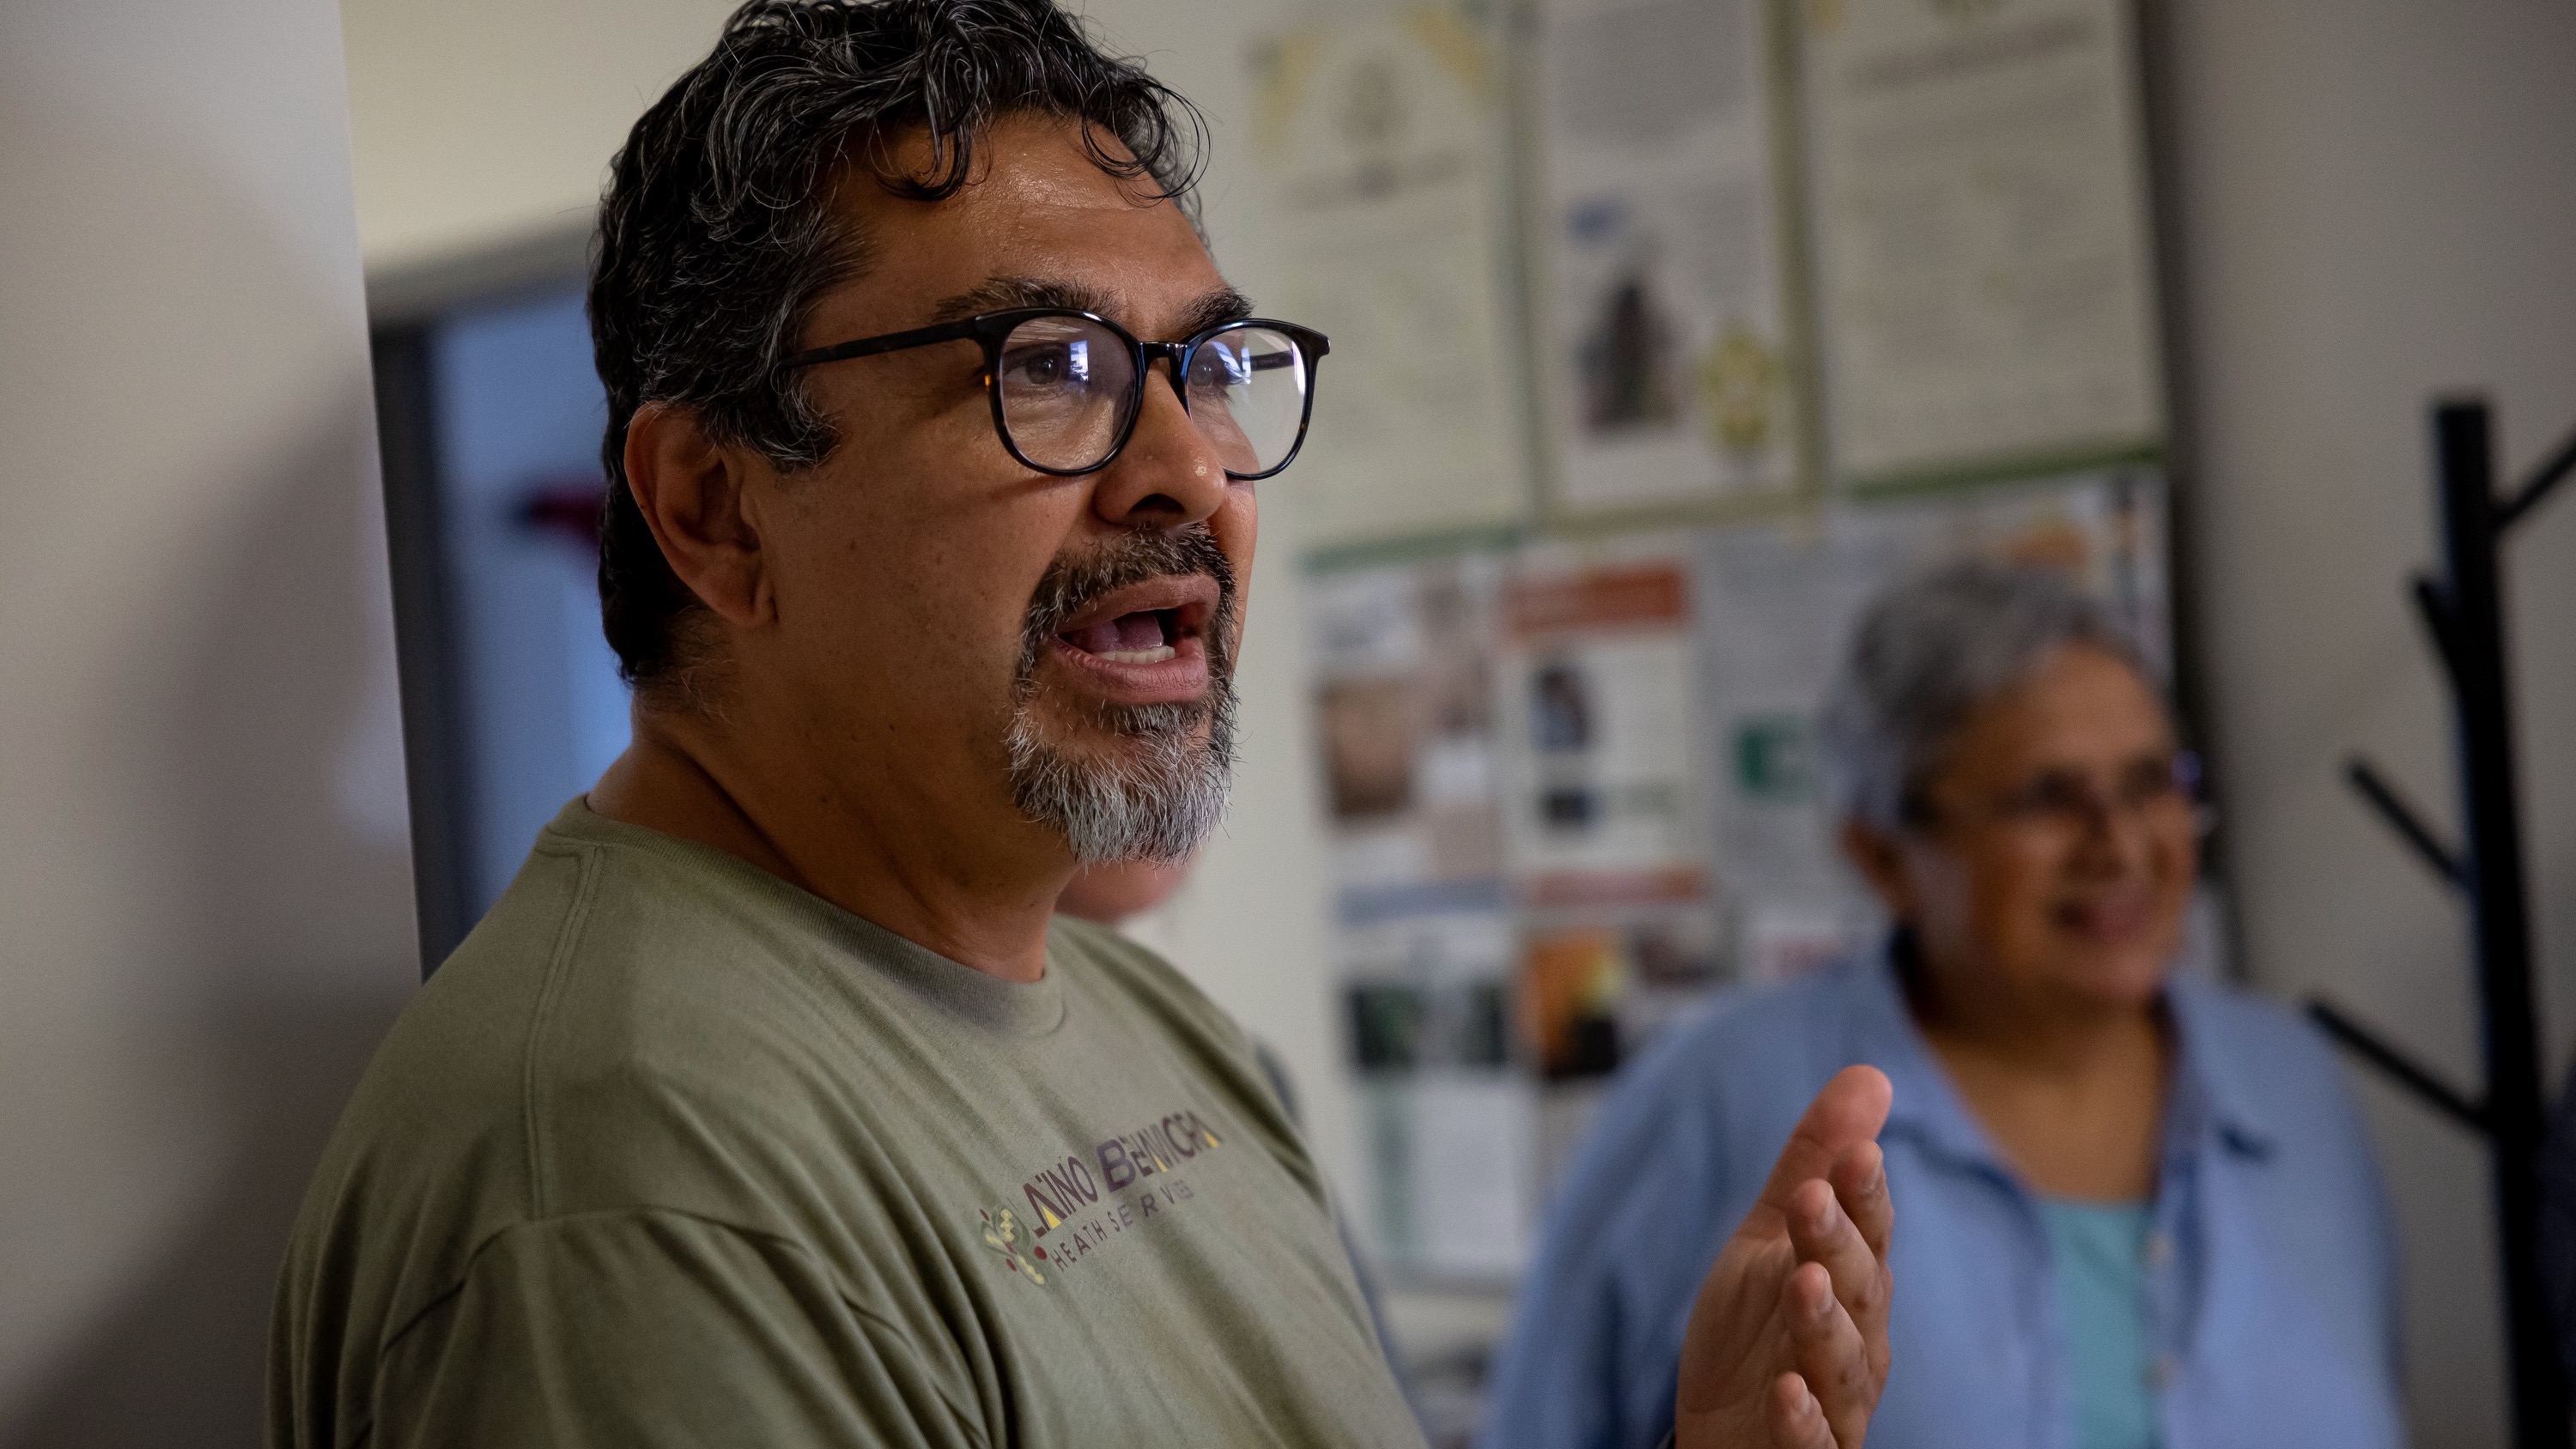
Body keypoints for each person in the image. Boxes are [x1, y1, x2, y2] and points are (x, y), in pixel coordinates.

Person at [267, 4, 1896, 1446]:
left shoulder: (1140, 1017)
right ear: (716, 509)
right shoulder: (634, 1195)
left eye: (1208, 365)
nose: (1189, 468)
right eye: (1048, 364)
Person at [1483, 562, 2403, 1449]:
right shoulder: (1718, 1100)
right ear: (1884, 854)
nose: (2121, 844)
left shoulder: (2293, 1086)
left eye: (2150, 781)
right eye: (2050, 796)